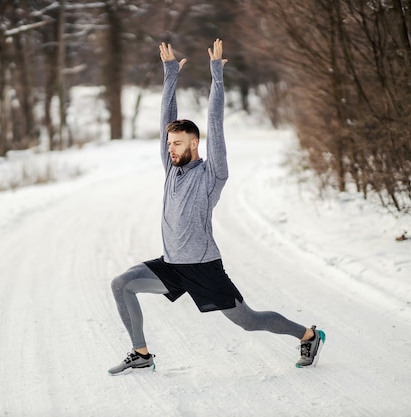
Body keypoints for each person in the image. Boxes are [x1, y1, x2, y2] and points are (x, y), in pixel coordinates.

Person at [108, 39, 325, 375]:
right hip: (172, 265)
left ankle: (308, 335)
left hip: (204, 268)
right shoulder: (171, 170)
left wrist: (217, 78)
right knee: (121, 284)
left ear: (195, 143)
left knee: (249, 321)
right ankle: (141, 353)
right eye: (169, 143)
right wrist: (169, 75)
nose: (171, 149)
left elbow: (216, 125)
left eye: (178, 143)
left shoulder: (213, 173)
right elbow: (167, 118)